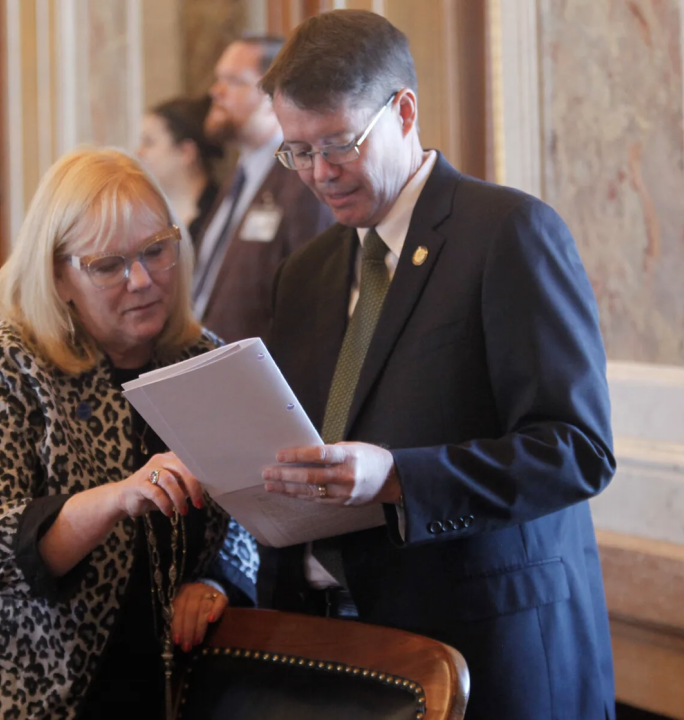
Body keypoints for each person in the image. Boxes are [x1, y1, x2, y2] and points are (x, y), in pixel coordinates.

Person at [256, 10, 617, 720]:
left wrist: (397, 478)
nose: (319, 174)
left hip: (489, 656)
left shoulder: (508, 233)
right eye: (296, 151)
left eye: (338, 144)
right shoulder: (305, 274)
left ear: (405, 111)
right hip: (334, 655)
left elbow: (577, 450)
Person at [0, 148, 254, 720]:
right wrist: (118, 497)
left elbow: (245, 501)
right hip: (35, 694)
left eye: (155, 252)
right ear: (59, 276)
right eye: (108, 266)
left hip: (179, 687)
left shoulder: (203, 359)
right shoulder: (2, 366)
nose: (142, 280)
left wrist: (219, 581)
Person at [191, 36, 334, 342]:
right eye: (218, 79)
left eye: (233, 81)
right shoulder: (241, 175)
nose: (215, 91)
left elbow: (313, 304)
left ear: (274, 97)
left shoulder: (302, 180)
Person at [137, 95, 223, 244]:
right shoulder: (145, 216)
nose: (139, 152)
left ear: (186, 152)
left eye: (149, 143)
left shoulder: (220, 213)